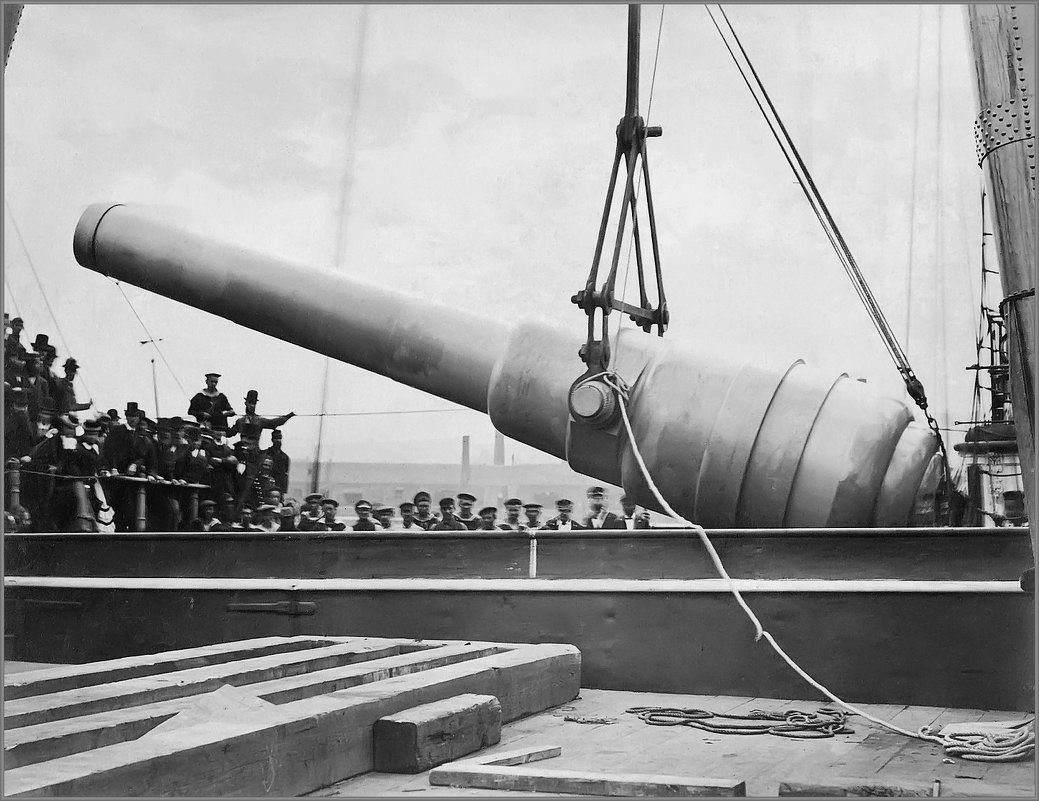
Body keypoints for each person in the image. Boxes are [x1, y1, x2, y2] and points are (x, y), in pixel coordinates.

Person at [229, 389, 295, 439]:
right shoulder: (240, 421)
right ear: (246, 403)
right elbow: (229, 433)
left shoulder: (259, 420)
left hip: (254, 452)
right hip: (241, 450)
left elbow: (274, 423)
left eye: (254, 403)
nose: (252, 405)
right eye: (250, 402)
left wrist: (287, 416)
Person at [4, 386, 35, 461]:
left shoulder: (30, 423)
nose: (23, 409)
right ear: (12, 406)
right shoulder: (8, 424)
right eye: (19, 406)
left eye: (24, 406)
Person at [263, 429, 290, 495]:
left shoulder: (285, 457)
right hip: (266, 486)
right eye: (276, 438)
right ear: (272, 440)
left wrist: (283, 491)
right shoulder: (265, 454)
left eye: (279, 438)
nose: (278, 440)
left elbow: (285, 475)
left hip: (279, 487)